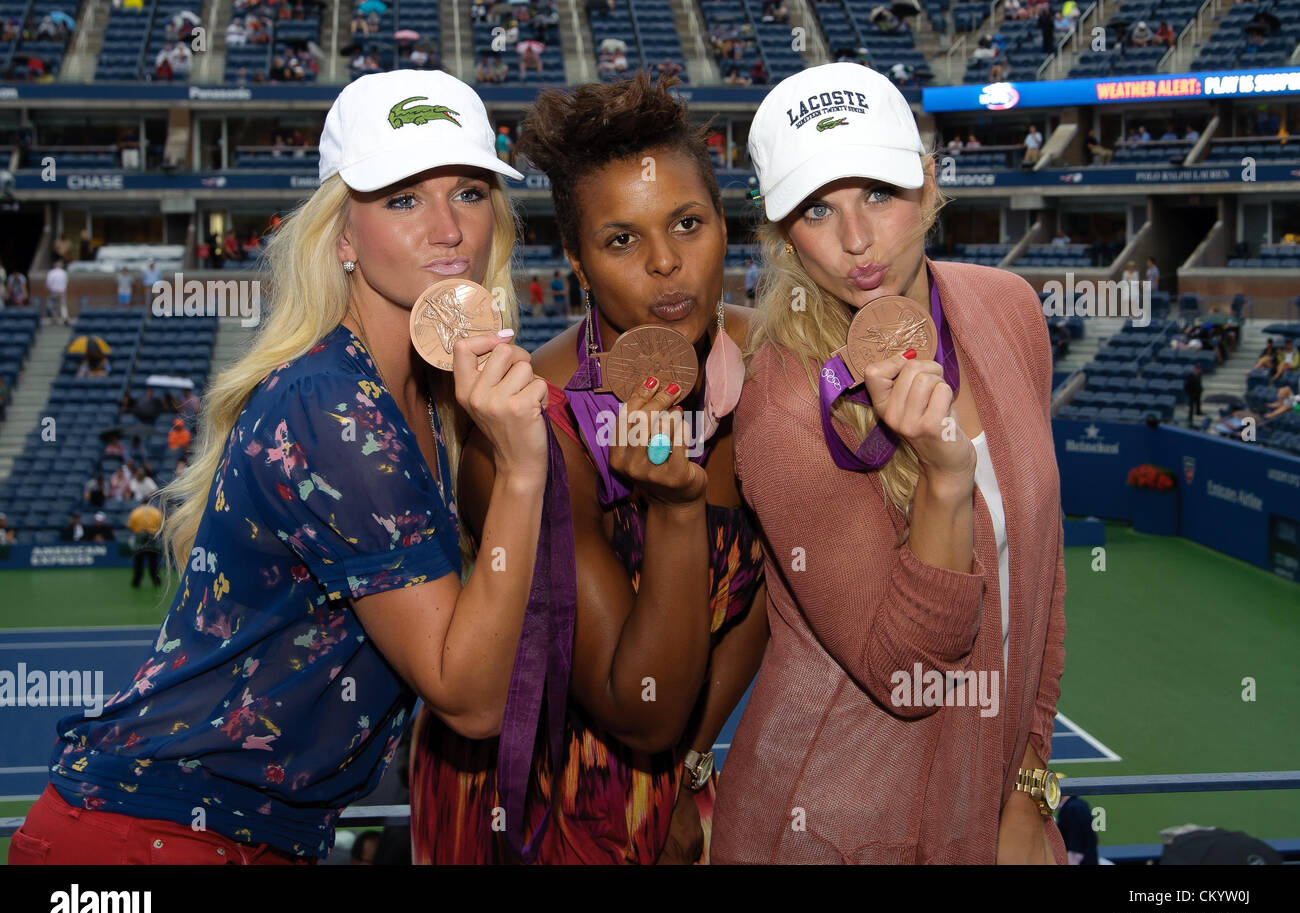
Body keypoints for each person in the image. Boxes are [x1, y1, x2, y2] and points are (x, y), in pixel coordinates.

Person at [9, 69, 551, 866]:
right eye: (402, 198)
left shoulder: (435, 404)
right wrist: (523, 472)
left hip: (247, 837)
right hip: (143, 843)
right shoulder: (331, 406)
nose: (448, 230)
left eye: (469, 192)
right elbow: (469, 698)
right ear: (340, 236)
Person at [409, 72, 768, 866]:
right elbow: (636, 709)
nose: (667, 263)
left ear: (724, 228)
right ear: (576, 260)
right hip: (531, 804)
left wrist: (692, 766)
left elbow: (767, 595)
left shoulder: (771, 364)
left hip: (679, 769)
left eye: (687, 223)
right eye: (621, 240)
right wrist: (675, 511)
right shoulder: (533, 431)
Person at [711, 63, 1066, 864]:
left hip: (989, 808)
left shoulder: (1007, 308)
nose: (856, 242)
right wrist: (944, 483)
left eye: (878, 193)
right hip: (833, 821)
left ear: (929, 183)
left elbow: (1044, 575)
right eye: (817, 210)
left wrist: (1029, 787)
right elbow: (908, 673)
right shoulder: (781, 403)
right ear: (782, 233)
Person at [45, 258, 69, 325]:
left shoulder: (51, 273)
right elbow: (66, 282)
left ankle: (54, 319)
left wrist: (50, 289)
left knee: (54, 306)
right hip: (62, 291)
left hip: (54, 291)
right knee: (63, 306)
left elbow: (48, 283)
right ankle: (65, 318)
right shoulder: (64, 273)